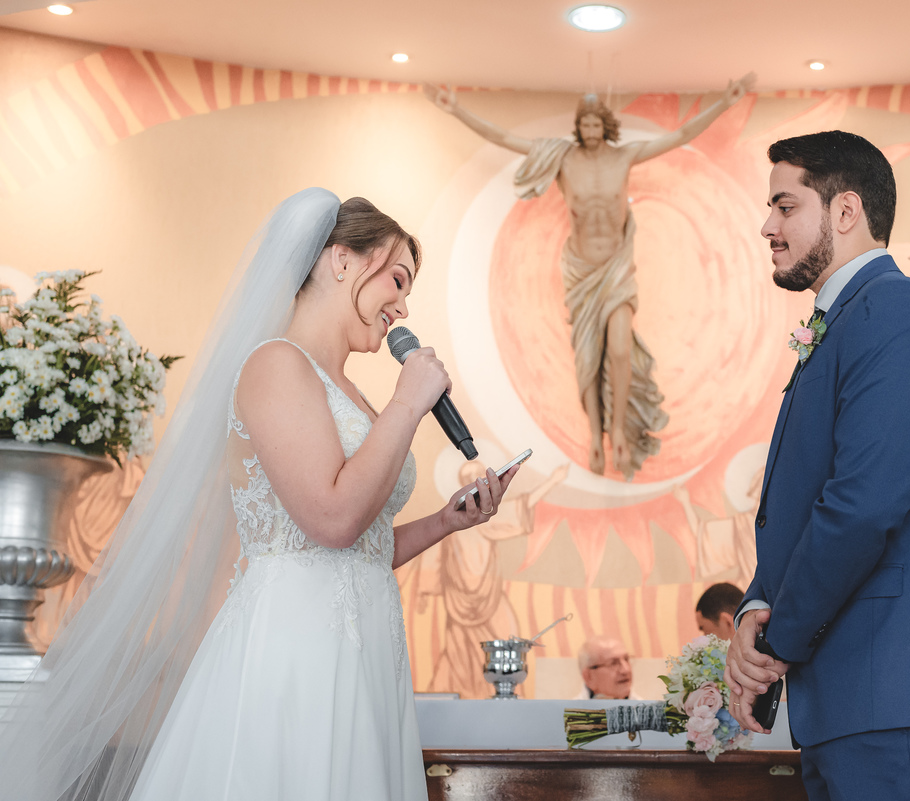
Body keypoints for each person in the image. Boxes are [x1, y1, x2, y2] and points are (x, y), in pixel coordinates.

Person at [0, 189, 518, 801]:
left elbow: (360, 547)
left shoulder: (352, 394)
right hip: (295, 647)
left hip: (364, 648)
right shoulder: (276, 365)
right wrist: (409, 403)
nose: (403, 307)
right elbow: (330, 520)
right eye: (397, 280)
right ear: (341, 260)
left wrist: (444, 522)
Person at [725, 132, 910, 800]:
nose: (767, 225)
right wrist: (754, 606)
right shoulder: (847, 320)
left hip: (898, 691)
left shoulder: (898, 311)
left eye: (785, 206)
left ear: (845, 210)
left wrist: (775, 640)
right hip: (853, 701)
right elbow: (800, 503)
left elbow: (864, 504)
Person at [425, 78, 753, 479]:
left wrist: (724, 102)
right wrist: (456, 109)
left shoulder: (625, 156)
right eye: (586, 124)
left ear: (606, 126)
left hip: (616, 268)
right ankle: (596, 438)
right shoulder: (561, 157)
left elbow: (681, 135)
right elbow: (505, 138)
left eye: (599, 124)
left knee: (619, 348)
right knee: (589, 359)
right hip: (582, 270)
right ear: (579, 127)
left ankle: (616, 430)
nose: (592, 131)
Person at [424, 461, 568, 698]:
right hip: (458, 603)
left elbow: (524, 504)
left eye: (477, 475)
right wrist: (424, 592)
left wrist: (553, 480)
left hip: (490, 598)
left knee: (506, 635)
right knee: (458, 656)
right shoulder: (450, 520)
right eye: (468, 477)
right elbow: (434, 558)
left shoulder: (487, 517)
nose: (474, 480)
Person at [574, 635, 639, 700]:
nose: (626, 670)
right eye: (613, 663)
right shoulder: (569, 709)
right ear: (589, 677)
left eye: (626, 659)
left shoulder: (645, 708)